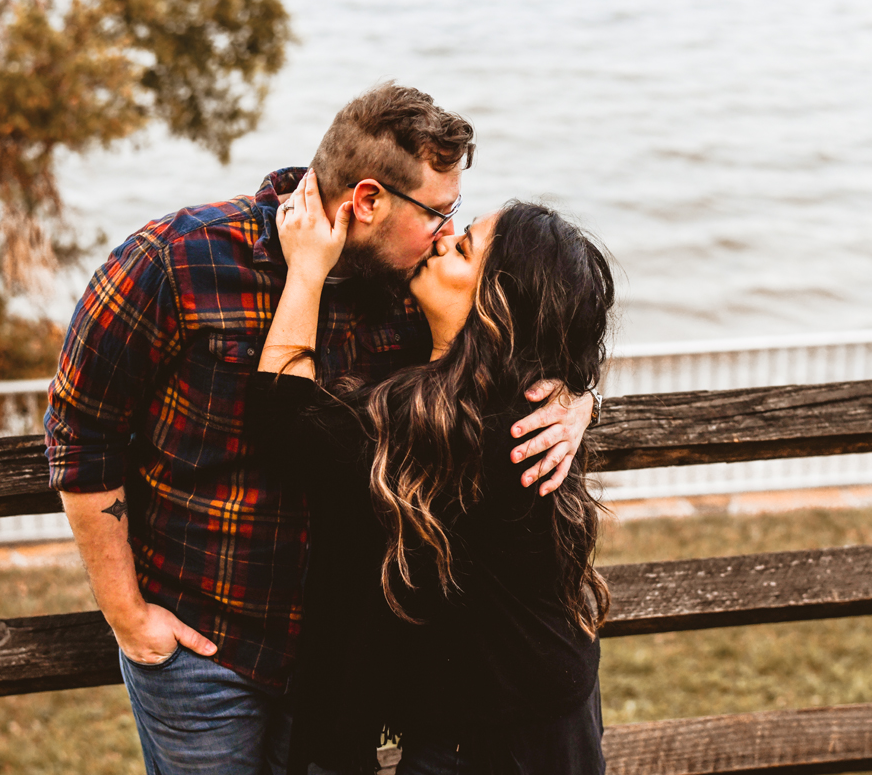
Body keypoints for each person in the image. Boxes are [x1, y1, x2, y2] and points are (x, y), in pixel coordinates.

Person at [43, 82, 599, 775]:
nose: (445, 234)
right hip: (211, 646)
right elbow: (80, 434)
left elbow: (534, 315)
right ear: (368, 200)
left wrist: (574, 398)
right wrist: (128, 615)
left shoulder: (413, 285)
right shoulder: (175, 262)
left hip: (347, 667)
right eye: (439, 213)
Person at [246, 171, 614, 775]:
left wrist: (307, 270)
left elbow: (283, 420)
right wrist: (582, 395)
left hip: (506, 738)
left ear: (495, 305)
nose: (442, 239)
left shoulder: (460, 429)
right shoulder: (524, 399)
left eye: (464, 247)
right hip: (531, 702)